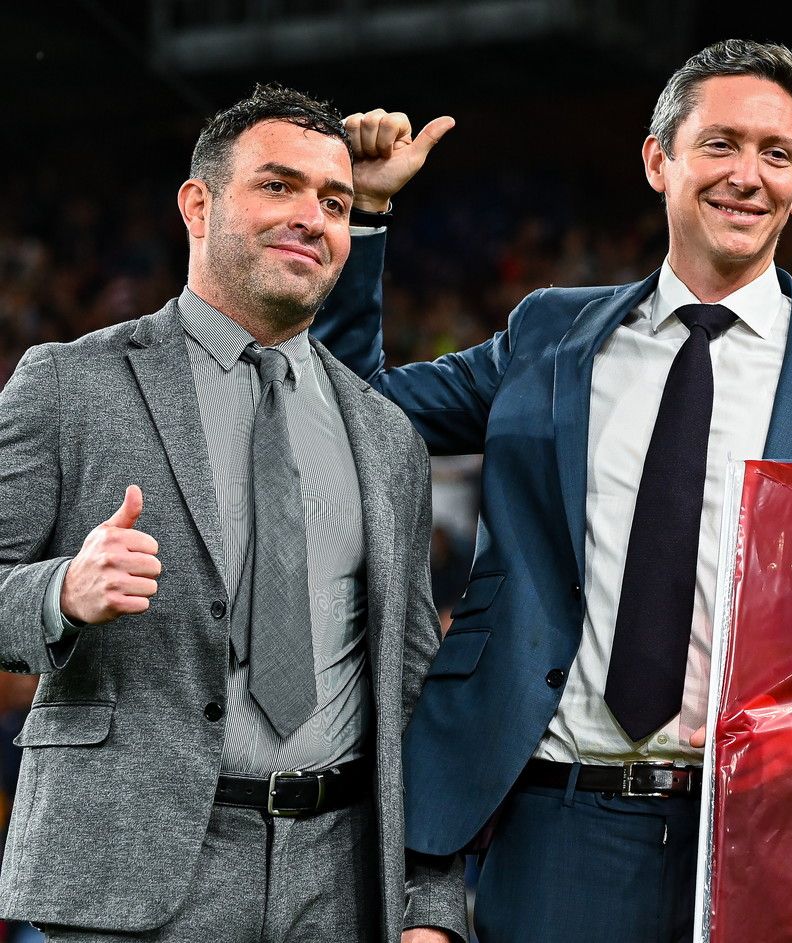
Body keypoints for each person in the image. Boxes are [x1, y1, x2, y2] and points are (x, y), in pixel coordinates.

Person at [315, 39, 792, 943]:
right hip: (559, 822)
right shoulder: (548, 334)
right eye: (720, 143)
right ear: (658, 160)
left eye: (776, 154)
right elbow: (354, 413)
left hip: (767, 832)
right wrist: (367, 212)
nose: (747, 175)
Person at [0, 85, 465, 942]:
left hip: (339, 882)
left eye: (334, 202)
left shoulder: (385, 433)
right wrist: (61, 590)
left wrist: (431, 903)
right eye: (278, 186)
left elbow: (409, 683)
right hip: (129, 878)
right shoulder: (68, 383)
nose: (311, 218)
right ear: (198, 204)